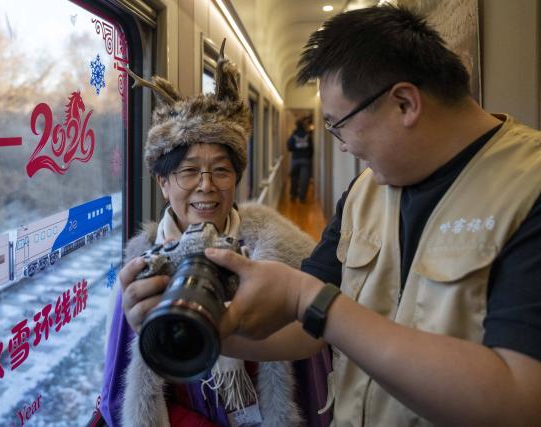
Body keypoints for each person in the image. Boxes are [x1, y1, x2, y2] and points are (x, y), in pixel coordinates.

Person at [199, 5, 541, 426]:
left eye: (338, 125)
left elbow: (520, 397)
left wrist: (312, 300)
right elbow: (306, 327)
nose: (341, 146)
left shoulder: (530, 188)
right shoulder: (365, 192)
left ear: (404, 103)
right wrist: (204, 331)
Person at [99, 41, 331, 427]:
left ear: (236, 178)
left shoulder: (278, 254)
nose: (206, 186)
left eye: (221, 171)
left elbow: (313, 380)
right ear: (162, 183)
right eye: (189, 172)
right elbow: (121, 392)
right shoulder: (144, 268)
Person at [287, 117, 314, 202]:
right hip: (306, 160)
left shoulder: (294, 135)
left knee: (294, 178)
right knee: (304, 179)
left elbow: (289, 146)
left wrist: (295, 151)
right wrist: (308, 157)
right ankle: (302, 197)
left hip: (295, 159)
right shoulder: (307, 135)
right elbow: (311, 148)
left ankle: (293, 196)